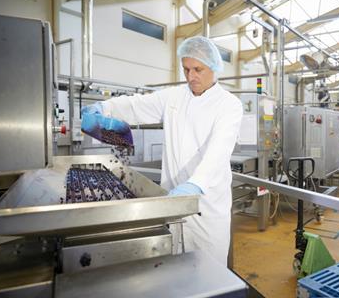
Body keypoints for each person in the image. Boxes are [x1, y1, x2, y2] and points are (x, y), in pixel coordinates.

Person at [81, 36, 243, 265]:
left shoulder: (229, 105)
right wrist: (104, 108)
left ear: (214, 68)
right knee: (175, 269)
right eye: (186, 69)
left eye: (198, 69)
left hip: (207, 208)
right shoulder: (174, 96)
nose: (191, 76)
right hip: (173, 203)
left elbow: (218, 152)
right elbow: (137, 105)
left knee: (209, 273)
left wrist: (195, 185)